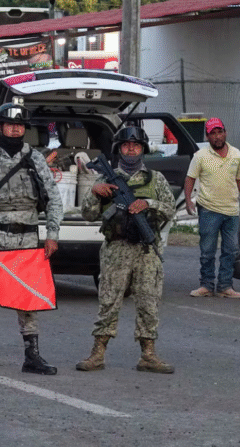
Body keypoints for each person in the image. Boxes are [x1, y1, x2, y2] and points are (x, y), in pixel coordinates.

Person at [0, 102, 63, 376]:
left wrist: (52, 234)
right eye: (10, 124)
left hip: (28, 237)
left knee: (27, 297)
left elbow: (53, 197)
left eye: (20, 125)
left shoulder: (36, 158)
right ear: (0, 127)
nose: (15, 129)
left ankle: (32, 356)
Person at [76, 126, 176, 374]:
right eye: (126, 146)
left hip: (146, 252)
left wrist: (148, 203)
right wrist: (95, 193)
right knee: (108, 302)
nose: (131, 150)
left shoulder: (155, 179)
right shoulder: (105, 179)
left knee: (148, 303)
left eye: (136, 146)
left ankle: (148, 355)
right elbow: (88, 214)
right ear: (119, 149)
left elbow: (170, 209)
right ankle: (97, 353)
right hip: (116, 250)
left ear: (143, 149)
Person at [185, 118, 240, 298]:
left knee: (230, 250)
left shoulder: (236, 154)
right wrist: (189, 201)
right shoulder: (200, 156)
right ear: (207, 136)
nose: (217, 136)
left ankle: (225, 286)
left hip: (231, 210)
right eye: (212, 133)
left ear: (225, 132)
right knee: (207, 250)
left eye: (219, 132)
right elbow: (190, 178)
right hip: (208, 209)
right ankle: (206, 285)